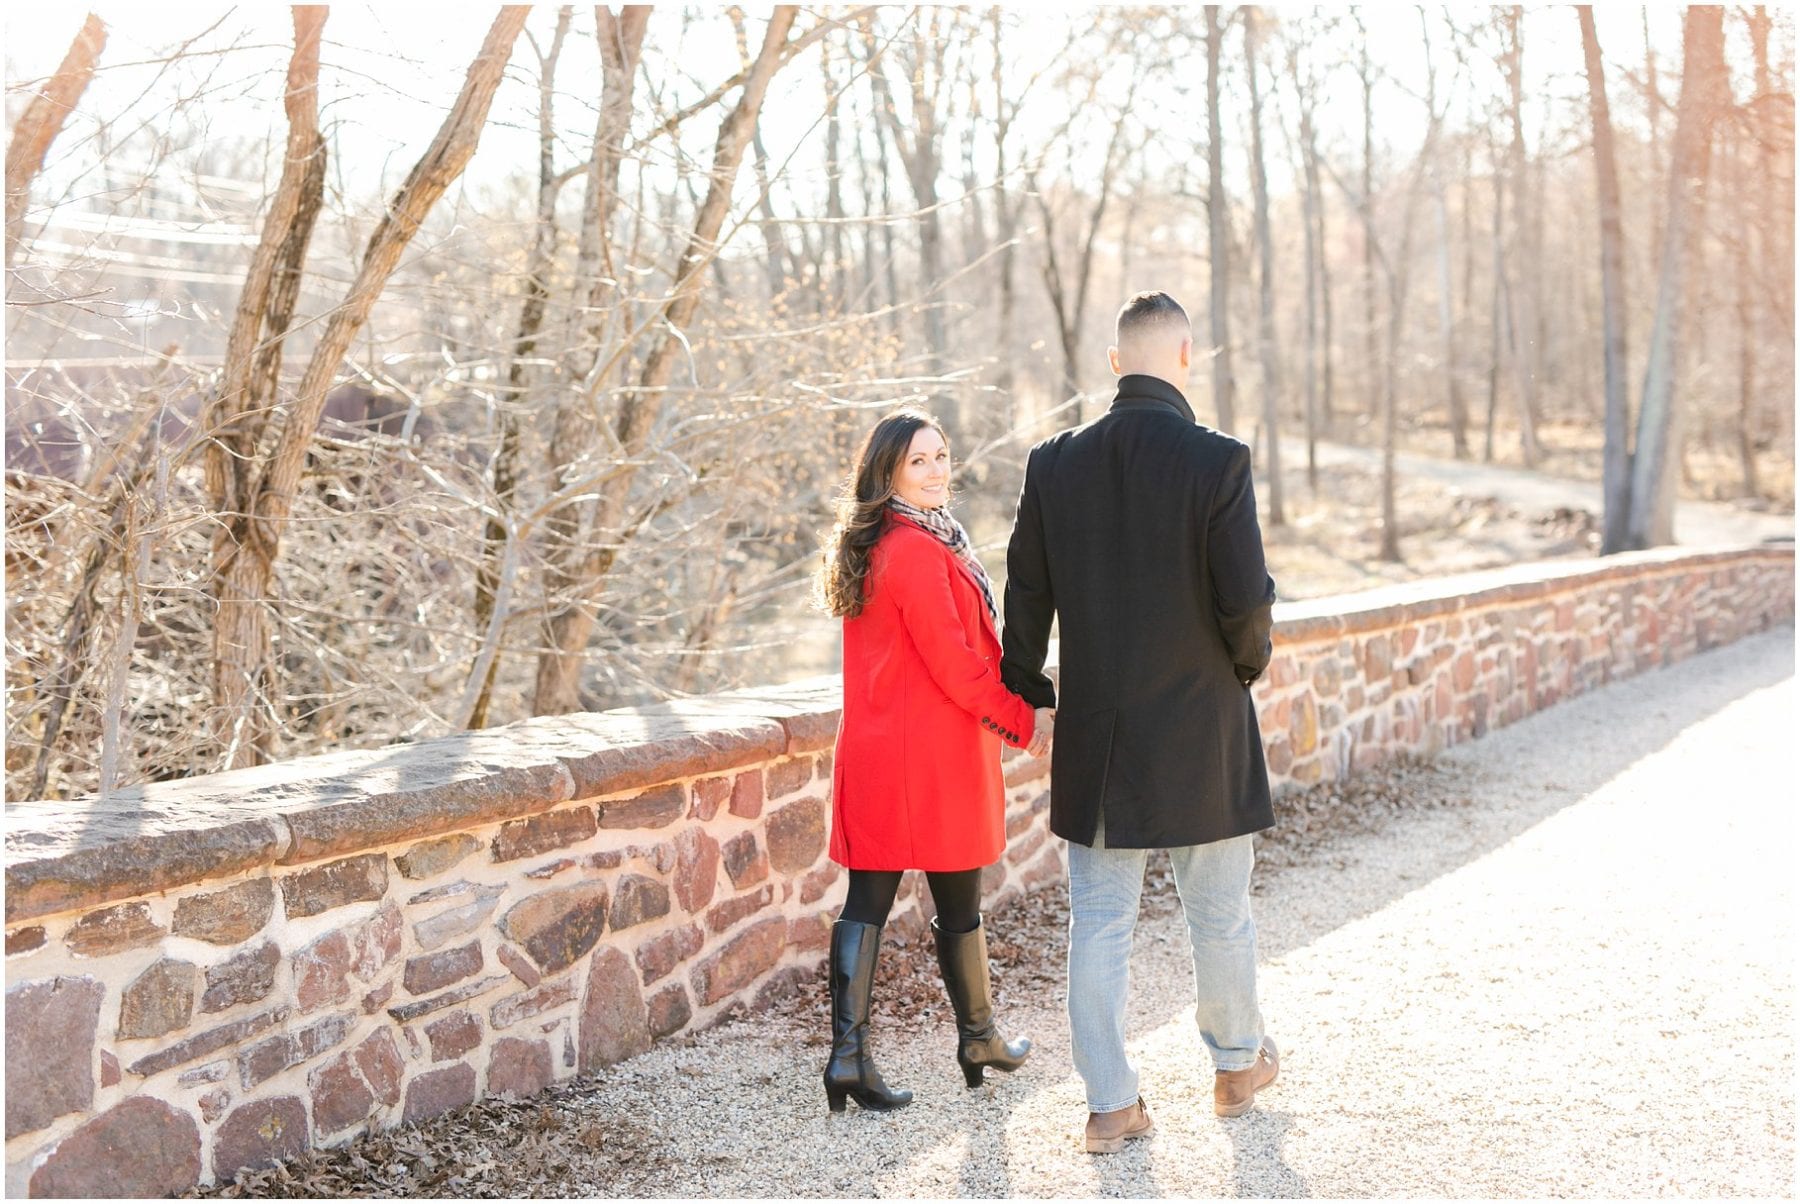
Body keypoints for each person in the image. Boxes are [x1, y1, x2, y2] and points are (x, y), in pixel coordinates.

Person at [1000, 291, 1281, 1152]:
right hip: (1202, 728)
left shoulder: (1054, 463)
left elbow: (1026, 591)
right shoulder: (1217, 461)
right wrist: (1243, 668)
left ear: (1116, 363)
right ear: (1187, 357)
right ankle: (1236, 1067)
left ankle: (1111, 1105)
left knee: (1100, 923)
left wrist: (1028, 681)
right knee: (1221, 916)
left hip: (1103, 735)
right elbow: (1247, 602)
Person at [816, 407, 1051, 1114]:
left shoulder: (890, 539)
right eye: (919, 460)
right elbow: (954, 663)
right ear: (887, 471)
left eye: (942, 455)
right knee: (932, 904)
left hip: (894, 750)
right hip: (928, 757)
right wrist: (1021, 721)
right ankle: (920, 1046)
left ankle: (944, 1044)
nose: (938, 469)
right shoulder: (914, 551)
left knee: (906, 902)